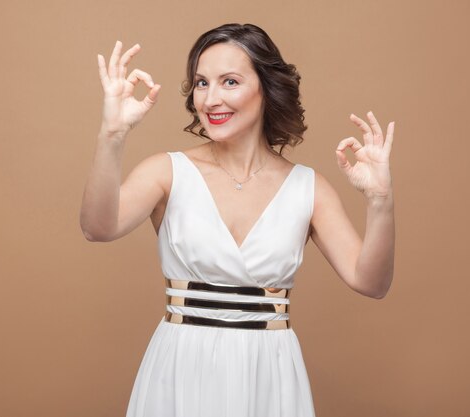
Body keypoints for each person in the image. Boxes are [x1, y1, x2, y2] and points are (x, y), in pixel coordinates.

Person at [80, 23, 395, 417]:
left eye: (229, 82)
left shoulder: (307, 188)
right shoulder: (167, 171)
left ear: (266, 89)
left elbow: (372, 282)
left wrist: (380, 200)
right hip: (181, 367)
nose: (211, 99)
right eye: (201, 83)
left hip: (270, 373)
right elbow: (98, 227)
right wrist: (112, 134)